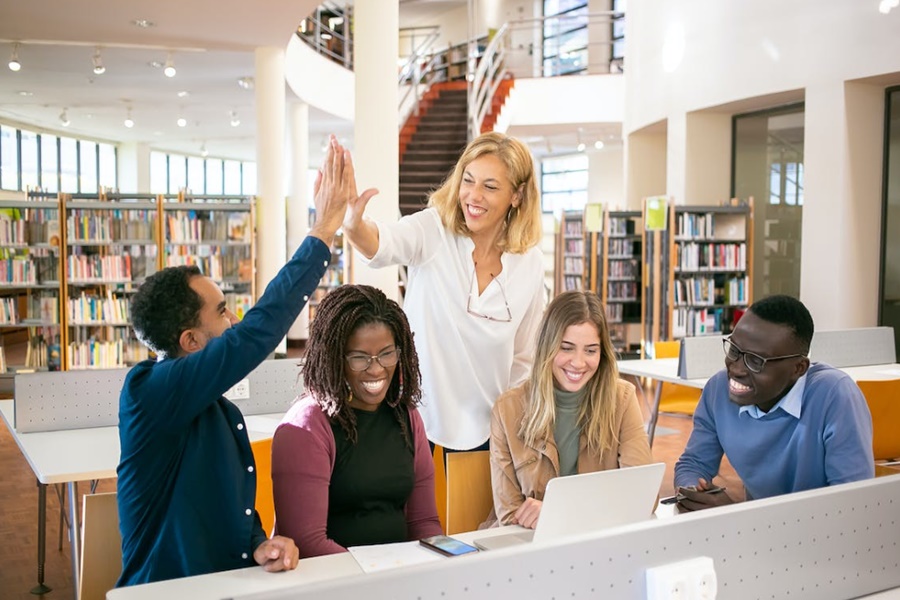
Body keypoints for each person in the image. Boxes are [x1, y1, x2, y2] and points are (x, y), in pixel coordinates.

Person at [116, 136, 354, 586]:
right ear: (190, 340)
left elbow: (228, 515)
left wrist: (260, 545)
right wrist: (322, 233)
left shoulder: (218, 411)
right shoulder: (148, 392)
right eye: (222, 311)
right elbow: (256, 333)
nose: (234, 320)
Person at [342, 131, 545, 451]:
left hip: (490, 432)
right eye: (468, 180)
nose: (473, 195)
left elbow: (525, 358)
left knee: (477, 504)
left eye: (490, 186)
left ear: (517, 196)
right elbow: (382, 243)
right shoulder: (434, 230)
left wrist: (512, 425)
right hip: (415, 423)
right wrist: (353, 224)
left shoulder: (530, 263)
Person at [271, 285, 442, 557]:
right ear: (334, 358)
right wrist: (377, 578)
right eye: (359, 358)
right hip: (334, 583)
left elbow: (424, 523)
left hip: (398, 577)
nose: (376, 369)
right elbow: (306, 542)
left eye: (387, 354)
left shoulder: (406, 417)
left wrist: (439, 564)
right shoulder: (306, 426)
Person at [675, 294, 875, 511]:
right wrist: (693, 492)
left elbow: (852, 506)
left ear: (798, 368)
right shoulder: (717, 390)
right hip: (761, 536)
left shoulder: (835, 396)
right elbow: (693, 464)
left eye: (755, 361)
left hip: (822, 537)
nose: (736, 368)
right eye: (734, 350)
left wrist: (735, 516)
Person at [488, 291, 653, 528]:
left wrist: (558, 512)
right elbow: (509, 516)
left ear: (602, 352)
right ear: (548, 347)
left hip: (599, 541)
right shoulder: (507, 409)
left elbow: (644, 496)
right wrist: (593, 510)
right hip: (530, 546)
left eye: (590, 350)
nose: (578, 362)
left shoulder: (623, 399)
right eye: (566, 348)